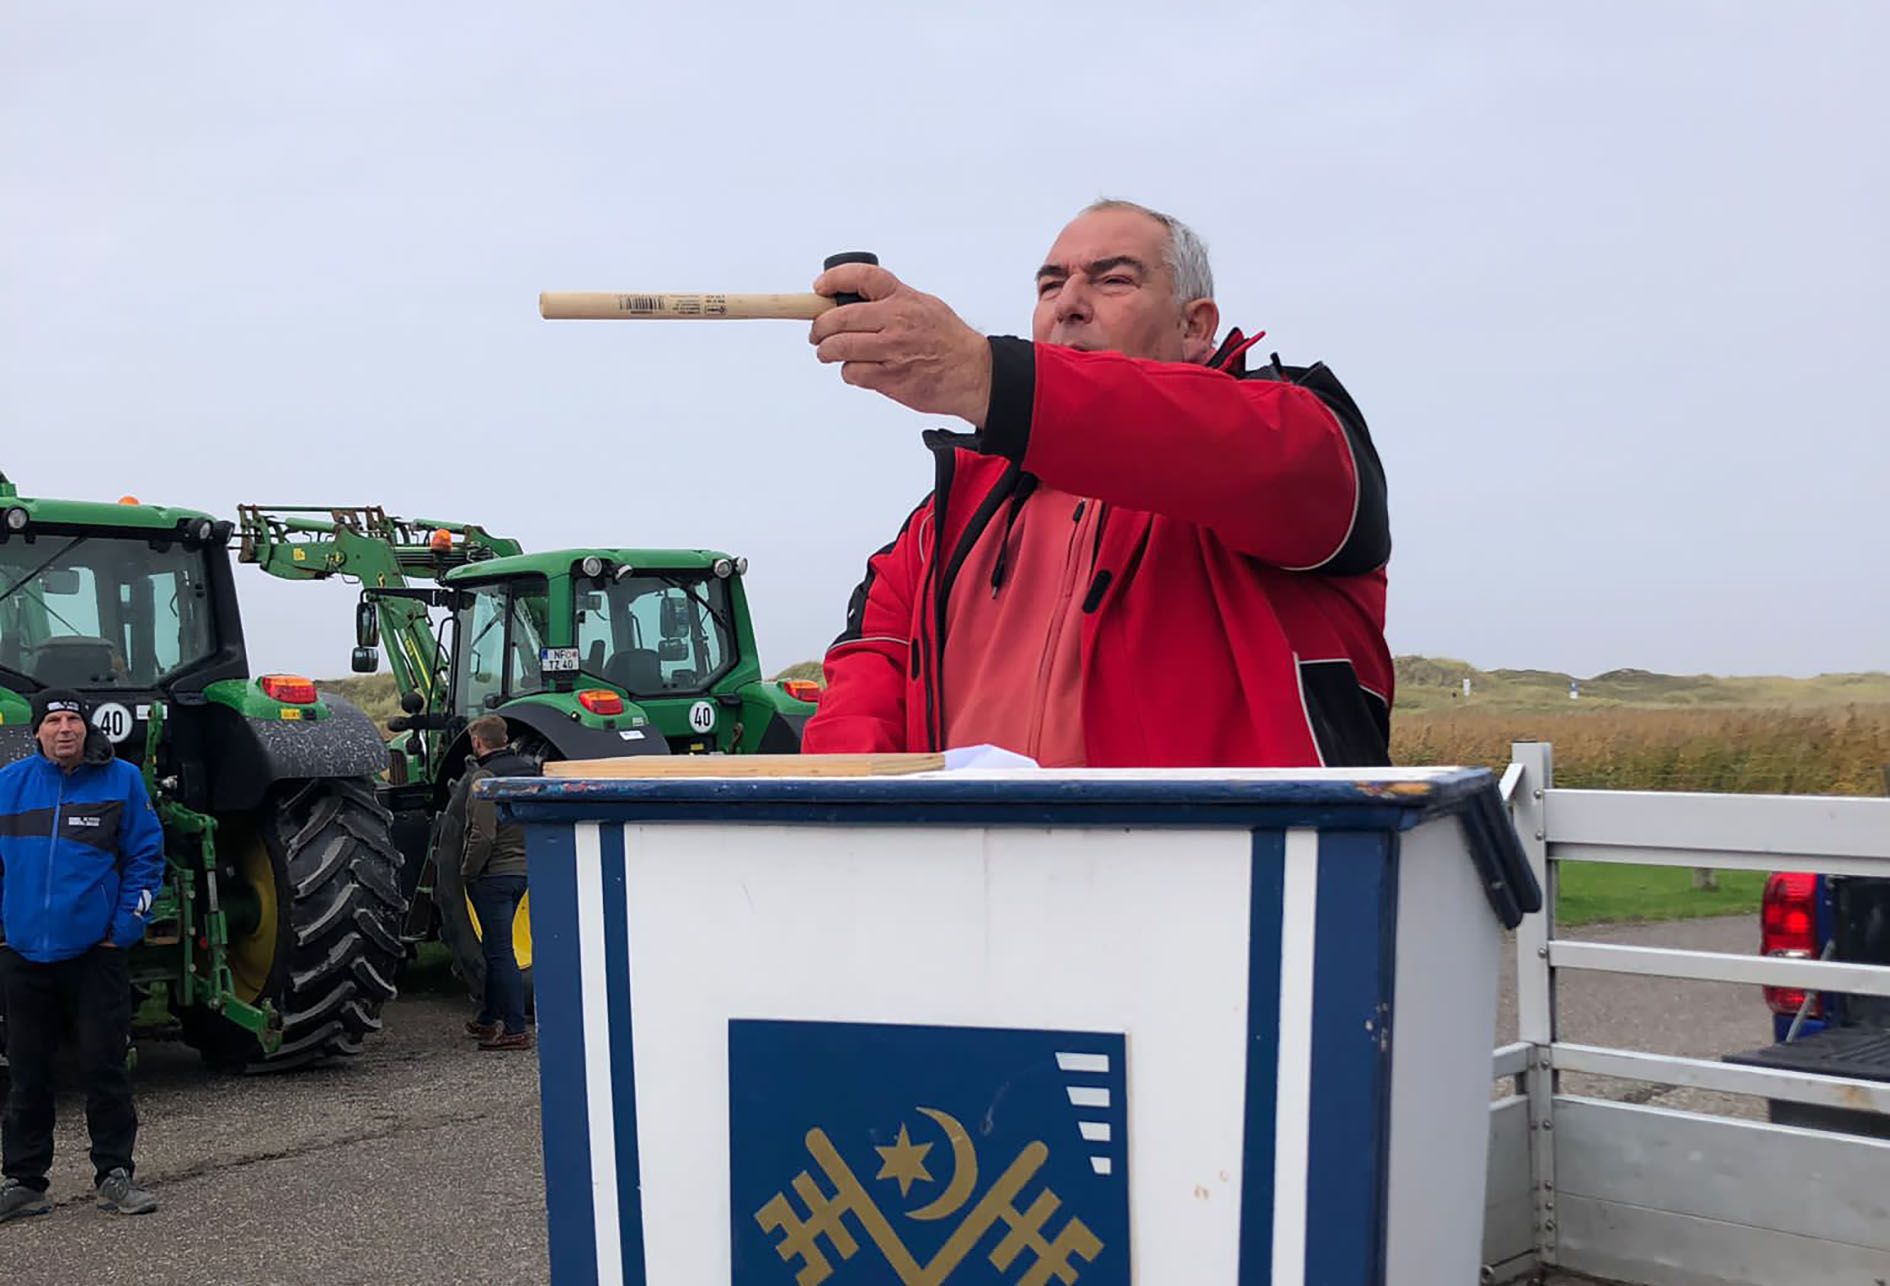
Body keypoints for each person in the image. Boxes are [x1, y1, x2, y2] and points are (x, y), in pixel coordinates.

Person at [799, 200, 1393, 768]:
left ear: (1195, 326)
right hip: (976, 865)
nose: (1069, 305)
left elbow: (1249, 455)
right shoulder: (939, 526)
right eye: (1050, 285)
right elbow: (868, 682)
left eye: (1113, 281)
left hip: (1232, 864)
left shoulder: (1296, 436)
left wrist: (982, 373)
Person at [0, 689, 164, 1223]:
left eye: (74, 720)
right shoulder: (10, 785)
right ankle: (25, 1183)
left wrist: (123, 928)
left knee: (104, 1068)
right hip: (24, 955)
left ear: (88, 729)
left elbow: (145, 856)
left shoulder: (122, 781)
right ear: (38, 732)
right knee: (27, 1073)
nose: (65, 729)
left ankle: (115, 1175)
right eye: (54, 721)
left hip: (95, 955)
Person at [449, 716, 534, 1052]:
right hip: (524, 872)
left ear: (477, 743)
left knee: (500, 954)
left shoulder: (484, 777)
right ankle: (486, 1019)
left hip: (494, 875)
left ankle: (514, 1029)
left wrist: (468, 871)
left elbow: (482, 834)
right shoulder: (529, 771)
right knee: (495, 950)